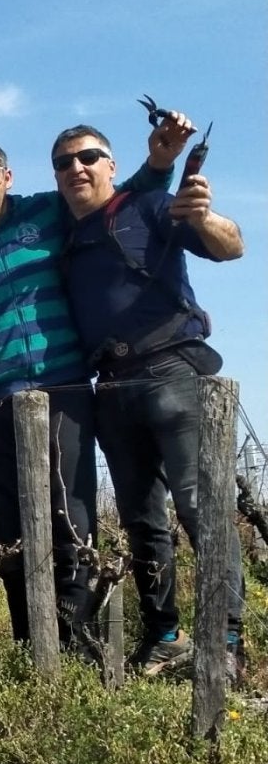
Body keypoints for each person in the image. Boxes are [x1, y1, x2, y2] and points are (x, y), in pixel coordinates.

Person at [0, 114, 190, 645]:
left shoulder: (47, 213)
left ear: (8, 177)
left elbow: (118, 198)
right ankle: (31, 645)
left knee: (72, 522)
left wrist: (159, 165)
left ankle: (75, 645)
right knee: (11, 531)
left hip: (62, 393)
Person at [53, 122, 246, 675]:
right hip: (110, 386)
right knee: (141, 519)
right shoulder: (64, 231)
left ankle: (224, 643)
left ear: (111, 165)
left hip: (175, 371)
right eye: (65, 163)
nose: (77, 169)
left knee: (200, 506)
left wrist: (204, 216)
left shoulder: (151, 206)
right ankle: (164, 636)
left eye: (89, 157)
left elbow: (232, 247)